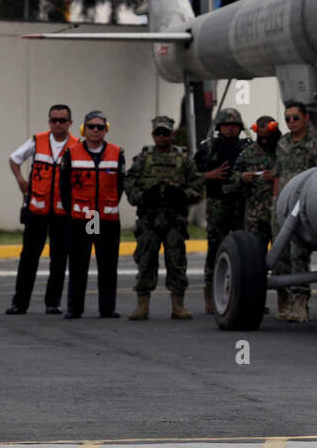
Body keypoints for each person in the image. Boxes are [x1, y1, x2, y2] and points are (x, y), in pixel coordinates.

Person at [124, 116, 204, 321]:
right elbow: (129, 183)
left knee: (176, 261)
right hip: (149, 218)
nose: (162, 137)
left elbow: (197, 186)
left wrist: (181, 195)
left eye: (165, 133)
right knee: (146, 260)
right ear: (153, 135)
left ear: (172, 135)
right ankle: (142, 305)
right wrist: (142, 197)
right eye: (158, 133)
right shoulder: (143, 158)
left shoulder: (183, 159)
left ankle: (178, 304)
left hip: (174, 218)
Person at [6, 104, 74, 314]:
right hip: (37, 209)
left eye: (62, 120)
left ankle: (52, 302)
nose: (57, 124)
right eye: (54, 120)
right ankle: (20, 303)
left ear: (70, 123)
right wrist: (20, 180)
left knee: (59, 258)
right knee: (28, 257)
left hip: (62, 213)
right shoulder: (38, 140)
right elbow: (14, 158)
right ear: (49, 122)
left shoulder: (76, 145)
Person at [59, 111, 125, 319]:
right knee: (79, 262)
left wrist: (109, 204)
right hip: (85, 217)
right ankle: (74, 308)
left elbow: (121, 185)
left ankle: (107, 308)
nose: (95, 130)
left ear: (106, 129)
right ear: (83, 129)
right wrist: (73, 212)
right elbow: (64, 187)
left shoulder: (116, 153)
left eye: (99, 127)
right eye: (91, 127)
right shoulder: (71, 153)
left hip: (106, 218)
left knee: (108, 264)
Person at [231, 116, 291, 318]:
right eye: (260, 135)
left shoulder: (284, 149)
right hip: (256, 216)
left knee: (283, 260)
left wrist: (275, 174)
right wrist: (242, 177)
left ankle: (285, 302)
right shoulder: (248, 152)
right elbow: (233, 176)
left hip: (281, 213)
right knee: (255, 261)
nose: (264, 139)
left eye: (268, 135)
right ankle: (256, 302)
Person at [193, 107, 251, 315]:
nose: (230, 129)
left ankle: (247, 296)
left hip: (242, 205)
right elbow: (190, 175)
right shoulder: (208, 149)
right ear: (219, 127)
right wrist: (209, 175)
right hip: (218, 204)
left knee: (245, 251)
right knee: (215, 250)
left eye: (234, 126)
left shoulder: (248, 148)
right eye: (227, 125)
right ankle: (211, 295)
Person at [271, 100, 317, 323]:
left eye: (295, 118)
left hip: (302, 207)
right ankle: (284, 301)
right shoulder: (282, 143)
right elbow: (277, 174)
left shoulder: (315, 143)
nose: (291, 122)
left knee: (298, 255)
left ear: (306, 118)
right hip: (281, 205)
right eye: (287, 118)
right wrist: (274, 201)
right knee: (280, 255)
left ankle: (300, 303)